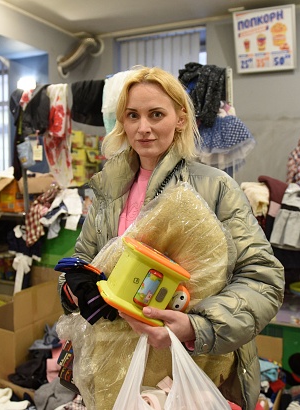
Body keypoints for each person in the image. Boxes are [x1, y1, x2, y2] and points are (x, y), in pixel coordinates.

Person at [57, 66, 284, 409]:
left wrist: (196, 327)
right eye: (132, 115)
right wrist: (73, 289)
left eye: (156, 114)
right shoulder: (108, 190)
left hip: (189, 370)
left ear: (180, 118)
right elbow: (82, 261)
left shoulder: (215, 187)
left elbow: (263, 279)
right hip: (114, 370)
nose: (143, 128)